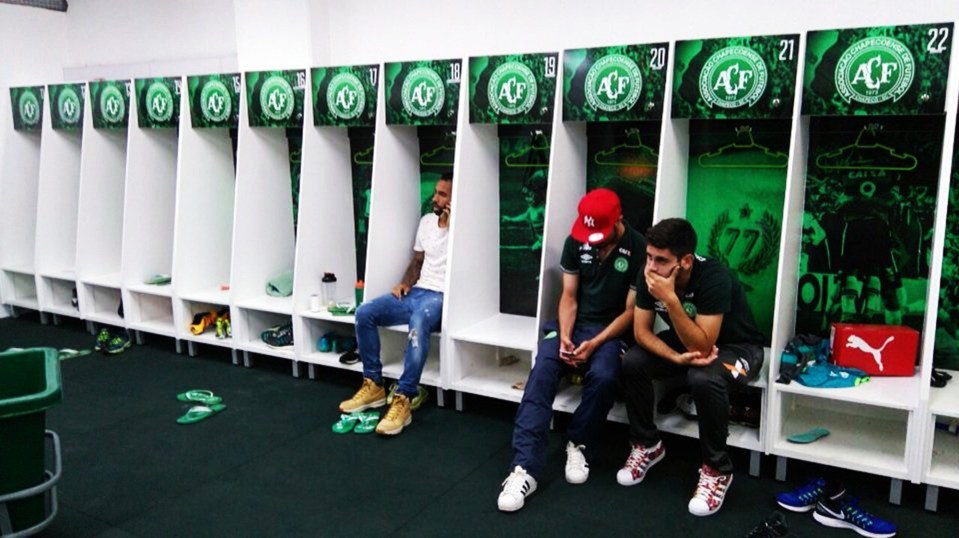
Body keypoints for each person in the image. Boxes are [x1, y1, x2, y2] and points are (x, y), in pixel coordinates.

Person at [498, 188, 645, 512]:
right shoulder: (575, 241)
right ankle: (524, 468)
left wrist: (595, 343)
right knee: (542, 371)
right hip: (572, 326)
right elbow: (569, 297)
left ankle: (578, 443)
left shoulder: (638, 247)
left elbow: (631, 311)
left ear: (618, 220)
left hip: (610, 331)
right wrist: (565, 336)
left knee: (606, 375)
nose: (593, 240)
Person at [617, 218, 764, 516]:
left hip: (739, 348)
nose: (652, 267)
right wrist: (673, 358)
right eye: (649, 257)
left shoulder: (714, 277)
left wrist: (670, 300)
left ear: (685, 261)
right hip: (689, 340)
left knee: (703, 377)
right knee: (633, 361)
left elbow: (703, 346)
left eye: (661, 260)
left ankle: (717, 469)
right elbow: (641, 333)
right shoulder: (650, 274)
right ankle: (647, 445)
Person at [337, 173, 452, 436]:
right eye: (436, 192)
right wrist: (405, 283)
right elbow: (418, 262)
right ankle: (374, 384)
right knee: (365, 312)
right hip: (418, 290)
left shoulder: (463, 229)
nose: (435, 198)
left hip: (441, 297)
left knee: (419, 321)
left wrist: (453, 222)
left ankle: (404, 397)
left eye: (442, 194)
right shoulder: (426, 222)